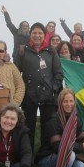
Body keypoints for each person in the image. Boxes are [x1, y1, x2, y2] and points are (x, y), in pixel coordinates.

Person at [14, 22, 64, 150]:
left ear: (44, 35)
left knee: (48, 128)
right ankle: (27, 155)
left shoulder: (51, 51)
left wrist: (53, 88)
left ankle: (45, 155)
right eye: (34, 33)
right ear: (30, 34)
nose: (37, 35)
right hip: (28, 96)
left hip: (48, 96)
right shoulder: (22, 50)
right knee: (27, 128)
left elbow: (58, 73)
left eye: (40, 33)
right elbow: (15, 73)